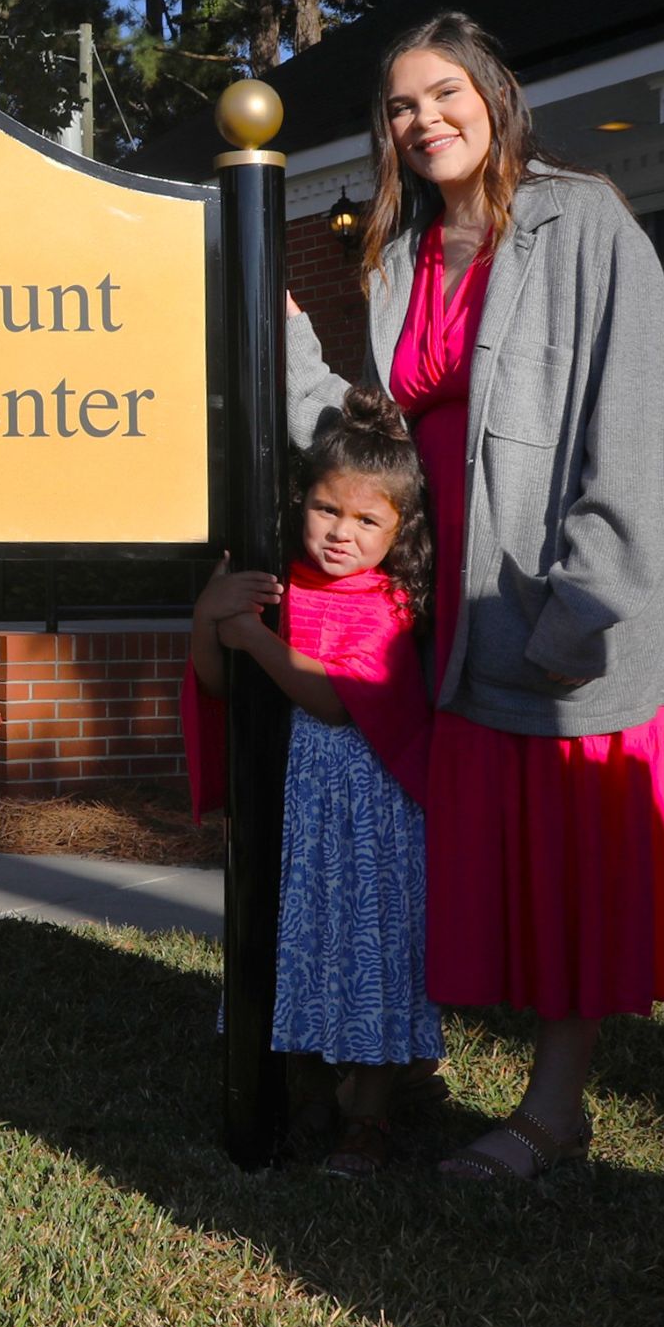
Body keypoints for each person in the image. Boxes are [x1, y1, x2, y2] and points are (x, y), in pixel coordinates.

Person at [286, 10, 664, 1182]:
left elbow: (642, 425)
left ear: (493, 93)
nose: (423, 119)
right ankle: (411, 1074)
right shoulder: (404, 254)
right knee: (487, 865)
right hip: (454, 619)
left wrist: (583, 607)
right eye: (400, 106)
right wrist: (288, 359)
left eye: (442, 93)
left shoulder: (586, 221)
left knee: (570, 873)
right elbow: (384, 452)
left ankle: (551, 1111)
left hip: (553, 610)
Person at [184, 389, 441, 1176]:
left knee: (370, 944)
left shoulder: (389, 602)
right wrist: (208, 620)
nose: (341, 533)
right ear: (304, 501)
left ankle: (370, 1116)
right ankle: (301, 1089)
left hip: (372, 816)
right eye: (328, 510)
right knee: (299, 936)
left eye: (368, 521)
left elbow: (335, 699)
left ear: (401, 531)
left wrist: (253, 640)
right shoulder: (281, 586)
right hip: (297, 810)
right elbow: (218, 685)